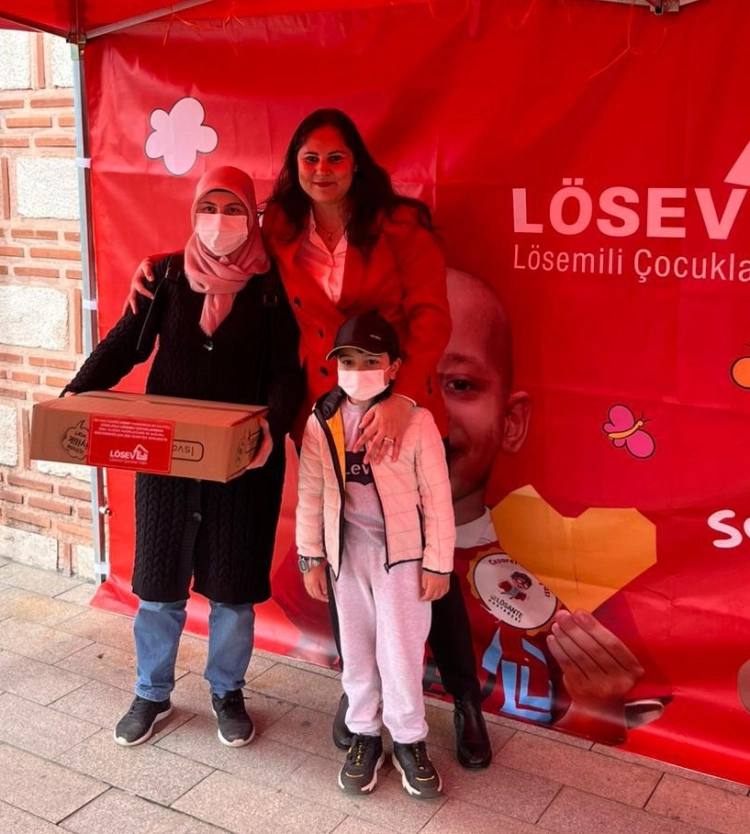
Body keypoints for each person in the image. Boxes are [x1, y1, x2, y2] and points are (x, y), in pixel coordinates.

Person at [127, 109, 492, 768]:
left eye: (335, 157)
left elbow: (432, 319)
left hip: (399, 415)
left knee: (421, 560)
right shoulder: (282, 227)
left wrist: (402, 401)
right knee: (345, 559)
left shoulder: (400, 227)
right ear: (295, 167)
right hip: (326, 421)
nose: (322, 170)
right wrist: (154, 266)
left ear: (357, 163)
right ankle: (361, 702)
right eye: (310, 159)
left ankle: (465, 699)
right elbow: (223, 244)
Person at [65, 166, 304, 748]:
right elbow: (127, 343)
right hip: (167, 461)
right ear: (194, 212)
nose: (220, 221)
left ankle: (227, 691)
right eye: (209, 208)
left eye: (233, 209)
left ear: (252, 215)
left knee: (233, 590)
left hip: (243, 464)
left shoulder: (273, 286)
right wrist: (76, 393)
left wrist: (271, 427)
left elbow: (287, 371)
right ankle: (151, 693)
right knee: (159, 585)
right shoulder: (167, 274)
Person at [438, 267, 667, 742]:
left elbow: (615, 742)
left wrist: (597, 704)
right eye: (398, 379)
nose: (429, 413)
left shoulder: (580, 580)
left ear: (512, 422)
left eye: (459, 384)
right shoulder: (339, 553)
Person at [297, 311, 454, 797]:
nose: (358, 370)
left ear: (393, 367)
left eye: (370, 361)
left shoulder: (418, 422)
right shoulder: (322, 421)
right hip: (347, 559)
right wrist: (311, 556)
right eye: (347, 361)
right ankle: (364, 734)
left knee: (401, 652)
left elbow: (437, 498)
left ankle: (408, 740)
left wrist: (438, 563)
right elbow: (310, 491)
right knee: (358, 651)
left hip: (402, 561)